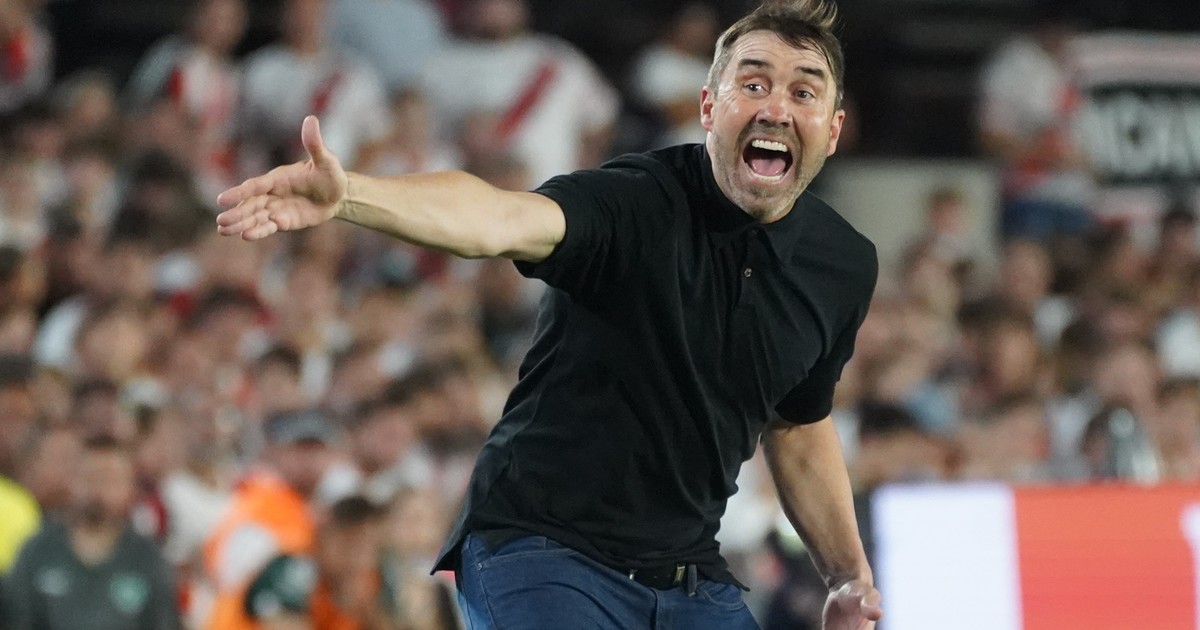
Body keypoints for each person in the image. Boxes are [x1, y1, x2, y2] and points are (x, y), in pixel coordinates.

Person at [215, 1, 883, 628]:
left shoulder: (841, 265)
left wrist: (848, 576)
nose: (776, 108)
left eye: (803, 92)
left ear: (833, 130)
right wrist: (351, 196)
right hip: (541, 550)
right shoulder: (632, 202)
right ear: (709, 107)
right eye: (754, 84)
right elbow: (497, 218)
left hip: (689, 577)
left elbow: (797, 424)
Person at [2, 434, 181, 630]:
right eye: (90, 477)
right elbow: (15, 619)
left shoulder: (148, 559)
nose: (98, 489)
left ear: (130, 487)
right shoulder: (38, 550)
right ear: (72, 481)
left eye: (109, 479)